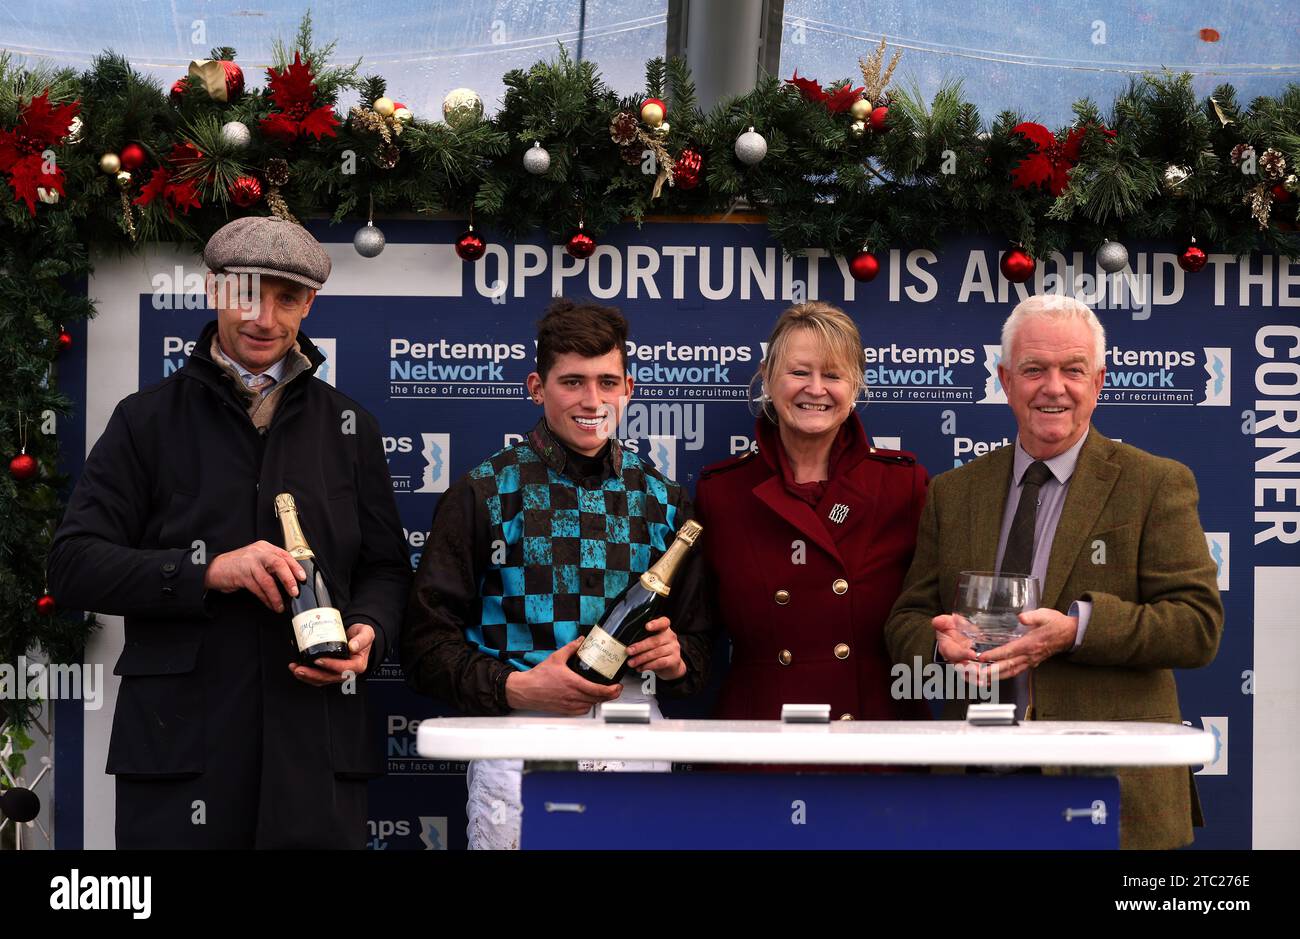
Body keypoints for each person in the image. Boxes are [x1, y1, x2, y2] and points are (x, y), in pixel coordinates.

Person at [47, 216, 411, 849]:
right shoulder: (145, 421)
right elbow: (74, 564)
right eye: (246, 293)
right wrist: (207, 572)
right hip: (181, 759)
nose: (263, 318)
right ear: (214, 289)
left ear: (310, 304)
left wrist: (370, 633)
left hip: (316, 759)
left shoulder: (352, 426)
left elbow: (385, 569)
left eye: (286, 298)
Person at [884, 294, 1223, 850]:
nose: (1054, 387)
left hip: (1112, 793)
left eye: (1073, 370)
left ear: (1100, 381)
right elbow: (908, 620)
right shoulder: (953, 492)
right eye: (1034, 370)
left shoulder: (1155, 483)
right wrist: (936, 643)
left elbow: (1197, 626)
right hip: (978, 788)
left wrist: (1076, 630)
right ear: (1005, 379)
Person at [401, 298, 712, 849]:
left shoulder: (666, 501)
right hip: (520, 743)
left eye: (606, 382)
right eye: (572, 382)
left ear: (628, 389)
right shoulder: (482, 493)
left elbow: (702, 647)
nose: (592, 401)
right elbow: (426, 647)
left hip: (635, 742)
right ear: (536, 387)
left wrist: (677, 658)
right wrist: (516, 686)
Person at [696, 302, 929, 723]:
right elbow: (696, 633)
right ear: (767, 375)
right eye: (799, 372)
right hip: (762, 741)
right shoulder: (721, 492)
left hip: (874, 740)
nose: (816, 389)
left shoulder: (903, 486)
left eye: (834, 375)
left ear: (855, 385)